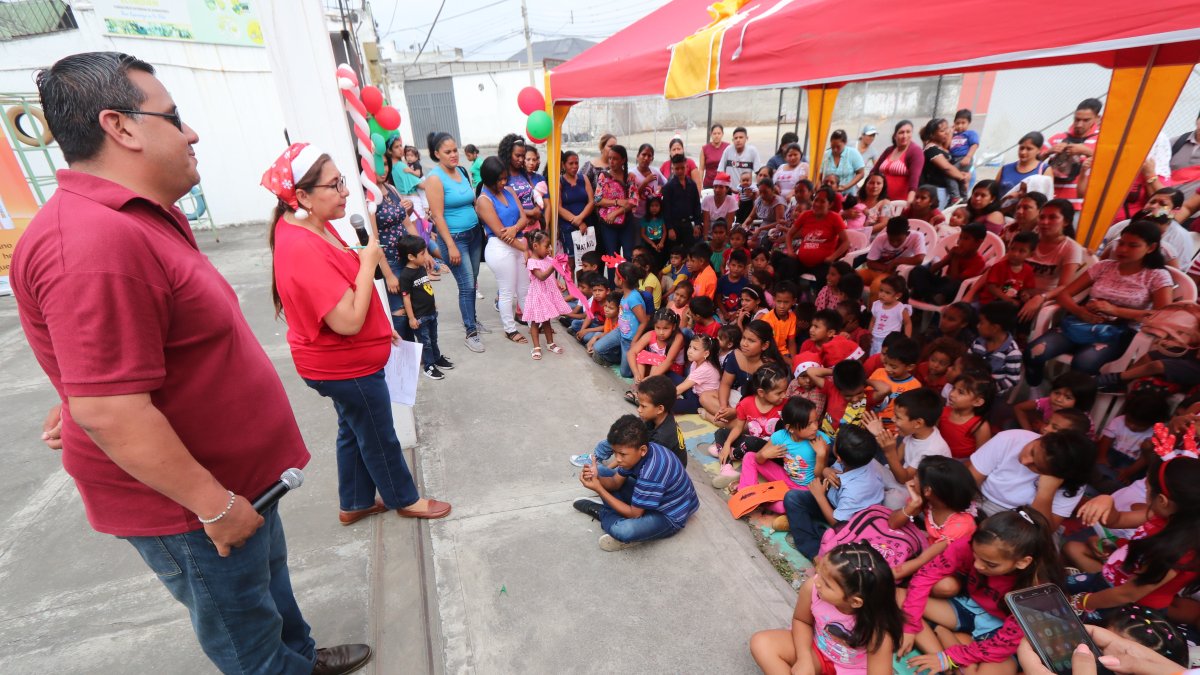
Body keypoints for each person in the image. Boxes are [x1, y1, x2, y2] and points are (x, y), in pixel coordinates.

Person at [12, 52, 372, 675]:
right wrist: (213, 505)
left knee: (272, 593)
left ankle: (304, 658)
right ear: (120, 127)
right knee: (247, 640)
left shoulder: (142, 216)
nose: (193, 132)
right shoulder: (94, 243)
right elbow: (109, 407)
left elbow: (114, 359)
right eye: (174, 117)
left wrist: (83, 385)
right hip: (194, 506)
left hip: (241, 483)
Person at [899, 508, 1062, 675]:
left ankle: (946, 643)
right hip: (970, 608)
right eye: (975, 555)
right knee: (898, 596)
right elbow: (925, 576)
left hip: (1002, 635)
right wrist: (910, 626)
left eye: (990, 564)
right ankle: (944, 655)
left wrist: (950, 657)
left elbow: (1002, 646)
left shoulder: (1036, 592)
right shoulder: (973, 545)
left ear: (1022, 562)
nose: (977, 566)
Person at [1025, 221, 1173, 381]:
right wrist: (1079, 312)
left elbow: (1162, 317)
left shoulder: (1157, 276)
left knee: (1083, 364)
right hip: (1082, 322)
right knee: (1033, 352)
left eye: (1133, 245)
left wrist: (1115, 311)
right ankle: (1036, 392)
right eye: (1121, 243)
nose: (1123, 249)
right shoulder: (1103, 266)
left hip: (1119, 332)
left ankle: (1073, 402)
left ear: (1150, 248)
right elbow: (1064, 294)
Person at [1065, 455, 1200, 618]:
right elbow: (1117, 520)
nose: (1145, 491)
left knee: (1065, 617)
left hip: (1126, 607)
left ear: (1162, 500)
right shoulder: (1162, 515)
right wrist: (1106, 501)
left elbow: (1126, 595)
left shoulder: (1178, 553)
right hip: (1109, 580)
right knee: (1058, 584)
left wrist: (1083, 602)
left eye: (1147, 487)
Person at [750, 543, 903, 675]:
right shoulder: (813, 587)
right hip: (815, 650)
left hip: (854, 670)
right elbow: (802, 621)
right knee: (761, 643)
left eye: (828, 584)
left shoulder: (879, 631)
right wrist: (804, 659)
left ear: (855, 601)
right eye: (820, 572)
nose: (818, 582)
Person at [573, 415, 699, 551]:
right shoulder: (639, 453)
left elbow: (634, 514)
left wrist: (599, 489)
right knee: (600, 471)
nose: (618, 459)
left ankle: (603, 512)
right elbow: (616, 482)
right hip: (656, 498)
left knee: (622, 530)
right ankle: (616, 512)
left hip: (669, 515)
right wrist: (597, 478)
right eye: (615, 453)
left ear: (642, 450)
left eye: (622, 454)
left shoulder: (652, 471)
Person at [782, 426, 887, 560]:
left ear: (839, 458)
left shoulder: (856, 490)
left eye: (835, 443)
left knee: (794, 502)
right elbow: (831, 469)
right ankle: (808, 525)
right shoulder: (857, 459)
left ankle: (814, 552)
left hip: (847, 524)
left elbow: (837, 524)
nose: (833, 443)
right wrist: (825, 470)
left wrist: (820, 497)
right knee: (793, 498)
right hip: (836, 500)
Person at [424, 131, 487, 353]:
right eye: (447, 151)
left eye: (455, 150)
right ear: (436, 154)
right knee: (466, 285)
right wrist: (450, 245)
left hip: (473, 234)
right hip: (455, 239)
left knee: (473, 281)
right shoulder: (434, 178)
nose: (454, 155)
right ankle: (470, 332)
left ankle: (473, 320)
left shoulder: (461, 171)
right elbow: (438, 216)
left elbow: (471, 202)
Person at [966, 429, 1095, 529]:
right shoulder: (1009, 439)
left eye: (1038, 467)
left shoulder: (1072, 482)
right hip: (982, 502)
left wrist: (1045, 493)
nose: (1024, 461)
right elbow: (969, 483)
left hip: (1022, 522)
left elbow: (1044, 530)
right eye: (1032, 451)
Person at [887, 456, 980, 582]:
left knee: (946, 586)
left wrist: (881, 577)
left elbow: (922, 560)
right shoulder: (934, 502)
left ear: (927, 490)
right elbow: (893, 523)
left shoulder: (960, 525)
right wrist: (913, 505)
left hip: (948, 565)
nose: (912, 481)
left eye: (916, 476)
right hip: (928, 549)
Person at [475, 156, 531, 345]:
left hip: (517, 241)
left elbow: (524, 218)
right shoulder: (483, 200)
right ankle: (510, 329)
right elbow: (500, 233)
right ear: (488, 179)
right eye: (499, 179)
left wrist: (515, 229)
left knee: (525, 288)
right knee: (507, 291)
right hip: (500, 249)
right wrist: (523, 245)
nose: (503, 182)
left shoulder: (508, 190)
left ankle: (533, 323)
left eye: (505, 178)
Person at [710, 365, 789, 487]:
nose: (784, 395)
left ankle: (732, 454)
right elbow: (738, 427)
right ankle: (727, 468)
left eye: (785, 390)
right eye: (779, 393)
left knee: (752, 442)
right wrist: (726, 444)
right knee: (721, 432)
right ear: (761, 392)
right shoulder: (746, 403)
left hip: (772, 450)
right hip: (752, 443)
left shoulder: (786, 405)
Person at [1018, 198, 1086, 323]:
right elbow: (1005, 267)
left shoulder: (1070, 248)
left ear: (1066, 222)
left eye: (1052, 217)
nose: (1044, 222)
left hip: (1044, 300)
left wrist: (1040, 297)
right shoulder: (1028, 240)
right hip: (1017, 291)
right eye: (1042, 217)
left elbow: (1064, 286)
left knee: (1004, 314)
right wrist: (1007, 291)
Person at [395, 235, 454, 380]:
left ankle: (436, 357)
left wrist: (432, 303)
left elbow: (426, 287)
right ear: (410, 256)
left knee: (433, 339)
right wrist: (411, 318)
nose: (425, 256)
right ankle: (429, 366)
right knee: (425, 342)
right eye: (422, 254)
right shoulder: (406, 275)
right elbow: (406, 297)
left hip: (431, 312)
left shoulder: (421, 268)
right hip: (420, 317)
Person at [784, 185, 850, 289]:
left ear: (830, 204)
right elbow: (789, 234)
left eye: (822, 201)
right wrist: (790, 251)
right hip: (802, 261)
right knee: (784, 264)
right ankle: (789, 298)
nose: (817, 204)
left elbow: (846, 242)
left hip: (822, 263)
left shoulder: (835, 218)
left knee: (824, 281)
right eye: (816, 200)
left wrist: (832, 257)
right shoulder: (806, 215)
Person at [1042, 98, 1103, 208]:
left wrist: (1086, 151)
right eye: (1077, 119)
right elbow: (1034, 162)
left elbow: (1110, 164)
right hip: (1051, 202)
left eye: (1086, 120)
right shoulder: (1058, 137)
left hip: (1081, 205)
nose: (1079, 124)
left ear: (1097, 118)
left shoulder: (1103, 140)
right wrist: (1048, 152)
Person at [592, 262, 650, 377]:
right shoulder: (624, 293)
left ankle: (625, 357)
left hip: (630, 339)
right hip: (620, 332)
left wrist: (635, 341)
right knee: (597, 348)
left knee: (625, 373)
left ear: (622, 280)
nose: (614, 277)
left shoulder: (633, 298)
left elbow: (644, 321)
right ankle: (621, 354)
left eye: (615, 275)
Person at [522, 230, 572, 359]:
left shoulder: (547, 259)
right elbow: (542, 276)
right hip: (538, 295)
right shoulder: (531, 262)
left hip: (548, 294)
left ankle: (550, 343)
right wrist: (554, 265)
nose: (549, 249)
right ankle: (536, 347)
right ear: (535, 246)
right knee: (535, 322)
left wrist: (557, 282)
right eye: (546, 246)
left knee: (547, 320)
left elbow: (550, 277)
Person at [909, 222, 987, 305]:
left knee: (954, 285)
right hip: (942, 283)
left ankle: (925, 296)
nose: (960, 242)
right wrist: (949, 257)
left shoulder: (979, 262)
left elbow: (955, 280)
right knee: (919, 269)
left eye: (966, 239)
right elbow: (932, 270)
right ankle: (929, 297)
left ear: (978, 242)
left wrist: (955, 259)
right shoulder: (955, 251)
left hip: (955, 291)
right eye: (960, 238)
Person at [858, 216, 926, 302]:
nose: (894, 243)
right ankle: (852, 308)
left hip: (895, 274)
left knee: (877, 286)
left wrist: (896, 262)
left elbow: (919, 259)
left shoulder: (916, 236)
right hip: (879, 270)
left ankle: (873, 314)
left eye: (899, 240)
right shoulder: (881, 238)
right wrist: (887, 267)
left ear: (907, 234)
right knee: (853, 277)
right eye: (891, 240)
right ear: (887, 233)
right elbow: (870, 263)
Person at [594, 144, 639, 264]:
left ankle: (627, 282)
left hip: (626, 223)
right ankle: (613, 283)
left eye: (615, 158)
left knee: (629, 256)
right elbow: (598, 200)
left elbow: (633, 201)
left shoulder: (629, 177)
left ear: (623, 160)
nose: (611, 161)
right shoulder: (604, 176)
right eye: (609, 158)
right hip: (608, 224)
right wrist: (617, 202)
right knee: (612, 258)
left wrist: (616, 213)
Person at [1013, 371, 1096, 433]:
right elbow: (1019, 408)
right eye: (1057, 393)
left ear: (1080, 402)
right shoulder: (1047, 402)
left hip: (1062, 451)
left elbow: (1069, 446)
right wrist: (1029, 432)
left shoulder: (1081, 420)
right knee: (1010, 424)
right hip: (1043, 438)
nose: (1058, 399)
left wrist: (1044, 428)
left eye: (1068, 397)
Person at [970, 301, 1023, 397]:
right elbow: (967, 361)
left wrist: (988, 389)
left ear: (995, 328)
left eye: (981, 323)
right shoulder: (977, 342)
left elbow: (1012, 380)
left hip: (991, 395)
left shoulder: (1012, 352)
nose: (978, 326)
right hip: (970, 388)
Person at [940, 374, 995, 460]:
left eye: (961, 392)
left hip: (964, 462)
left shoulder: (980, 426)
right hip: (940, 455)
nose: (952, 394)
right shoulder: (943, 411)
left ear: (977, 402)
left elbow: (981, 457)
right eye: (953, 388)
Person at [918, 118, 970, 208]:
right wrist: (963, 179)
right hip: (935, 190)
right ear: (932, 135)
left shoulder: (941, 147)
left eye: (947, 129)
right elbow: (947, 168)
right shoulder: (931, 149)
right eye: (942, 131)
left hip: (945, 190)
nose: (946, 132)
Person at [871, 120, 924, 203]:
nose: (905, 136)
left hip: (899, 202)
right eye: (901, 132)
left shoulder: (915, 151)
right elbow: (874, 171)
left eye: (908, 132)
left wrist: (909, 202)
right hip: (880, 200)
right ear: (895, 135)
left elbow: (914, 179)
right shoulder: (889, 150)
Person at [671, 334, 723, 416]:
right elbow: (687, 381)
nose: (690, 351)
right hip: (694, 391)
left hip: (700, 402)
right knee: (670, 374)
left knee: (667, 405)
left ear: (706, 354)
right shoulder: (696, 362)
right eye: (690, 347)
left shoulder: (705, 368)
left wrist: (666, 398)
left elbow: (681, 388)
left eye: (695, 349)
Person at [558, 150, 594, 268]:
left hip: (585, 225)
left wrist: (581, 218)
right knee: (571, 262)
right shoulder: (559, 182)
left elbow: (591, 202)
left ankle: (584, 286)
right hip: (568, 227)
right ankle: (571, 286)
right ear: (563, 164)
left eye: (576, 163)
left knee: (586, 261)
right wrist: (577, 222)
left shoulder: (584, 178)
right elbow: (558, 207)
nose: (574, 166)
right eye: (571, 163)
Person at [661, 152, 703, 248]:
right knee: (675, 253)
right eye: (677, 168)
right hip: (674, 225)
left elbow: (696, 204)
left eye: (682, 168)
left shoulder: (692, 184)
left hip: (688, 224)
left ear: (686, 167)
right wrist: (670, 228)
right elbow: (666, 209)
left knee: (690, 251)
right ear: (673, 168)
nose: (680, 171)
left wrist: (697, 224)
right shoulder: (668, 187)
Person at [995, 132, 1051, 197]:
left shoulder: (1044, 170)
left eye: (1029, 149)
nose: (1023, 152)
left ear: (1039, 150)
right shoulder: (1005, 169)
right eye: (1021, 148)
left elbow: (1047, 197)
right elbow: (994, 192)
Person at [867, 275, 912, 356]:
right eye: (881, 290)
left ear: (898, 295)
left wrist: (906, 340)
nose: (882, 294)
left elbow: (908, 324)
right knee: (873, 358)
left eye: (887, 293)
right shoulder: (877, 305)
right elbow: (873, 321)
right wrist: (869, 334)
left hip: (889, 343)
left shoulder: (900, 309)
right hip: (874, 339)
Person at [820, 129, 866, 197]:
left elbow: (861, 173)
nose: (835, 149)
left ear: (845, 143)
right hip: (828, 195)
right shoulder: (825, 155)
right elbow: (819, 176)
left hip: (847, 195)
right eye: (833, 146)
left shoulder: (853, 153)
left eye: (838, 147)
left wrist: (847, 186)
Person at [948, 109, 981, 201]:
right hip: (954, 159)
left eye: (963, 123)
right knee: (959, 179)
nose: (960, 126)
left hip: (963, 159)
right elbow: (947, 145)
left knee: (949, 174)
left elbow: (974, 145)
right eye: (957, 123)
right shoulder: (953, 135)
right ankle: (964, 198)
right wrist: (951, 132)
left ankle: (955, 196)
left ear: (968, 123)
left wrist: (968, 157)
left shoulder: (970, 134)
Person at [581, 133, 616, 198]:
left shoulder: (618, 167)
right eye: (610, 146)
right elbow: (579, 185)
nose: (613, 149)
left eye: (615, 147)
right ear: (602, 147)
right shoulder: (590, 166)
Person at [701, 123, 729, 189]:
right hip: (708, 184)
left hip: (723, 184)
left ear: (722, 134)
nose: (717, 136)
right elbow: (701, 169)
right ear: (711, 134)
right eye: (714, 133)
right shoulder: (704, 149)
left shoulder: (728, 147)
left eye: (719, 133)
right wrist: (700, 184)